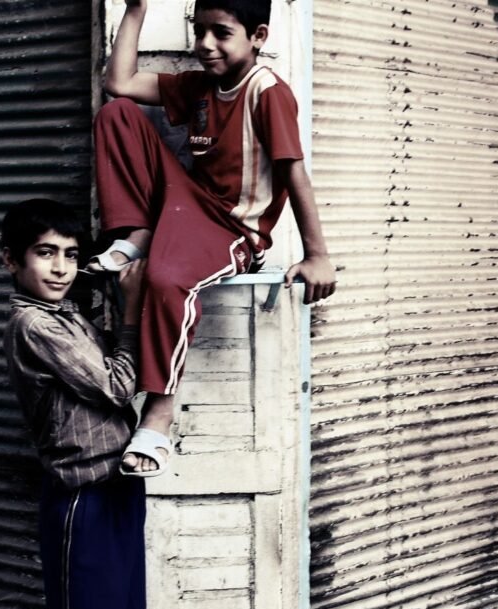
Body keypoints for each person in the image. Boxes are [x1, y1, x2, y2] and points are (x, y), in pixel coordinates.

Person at [87, 0, 337, 478]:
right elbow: (119, 82)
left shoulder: (267, 91)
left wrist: (318, 254)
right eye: (198, 31)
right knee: (117, 114)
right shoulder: (201, 85)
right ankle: (139, 232)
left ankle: (158, 412)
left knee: (165, 279)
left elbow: (294, 172)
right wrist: (136, 10)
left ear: (257, 37)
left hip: (231, 228)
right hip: (185, 205)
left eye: (221, 33)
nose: (204, 45)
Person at [1, 198, 148, 609]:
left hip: (120, 486)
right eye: (45, 253)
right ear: (11, 260)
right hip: (82, 499)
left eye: (71, 254)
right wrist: (132, 311)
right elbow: (118, 386)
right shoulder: (34, 324)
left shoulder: (68, 313)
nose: (61, 268)